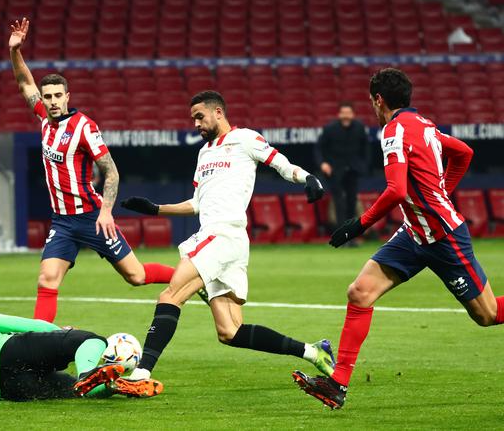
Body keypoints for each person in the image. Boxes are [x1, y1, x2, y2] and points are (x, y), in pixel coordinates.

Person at [293, 68, 504, 410]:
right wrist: (442, 192)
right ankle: (338, 384)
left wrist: (358, 224)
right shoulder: (424, 124)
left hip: (443, 236)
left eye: (371, 102)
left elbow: (396, 190)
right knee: (360, 292)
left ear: (378, 100)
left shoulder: (393, 130)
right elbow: (464, 152)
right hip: (413, 232)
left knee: (487, 315)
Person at [117, 90, 334, 395]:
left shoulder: (245, 138)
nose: (196, 124)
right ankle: (314, 352)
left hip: (222, 234)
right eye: (193, 119)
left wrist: (307, 177)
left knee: (171, 294)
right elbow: (197, 202)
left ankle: (141, 373)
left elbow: (279, 162)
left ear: (218, 112)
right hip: (225, 240)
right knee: (230, 331)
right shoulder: (204, 153)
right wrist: (155, 209)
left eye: (200, 117)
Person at [8, 18, 176, 323]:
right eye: (48, 97)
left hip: (92, 217)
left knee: (136, 277)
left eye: (59, 95)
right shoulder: (45, 119)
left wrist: (106, 211)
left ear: (68, 97)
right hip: (62, 221)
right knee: (47, 279)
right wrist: (15, 51)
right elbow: (24, 83)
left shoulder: (85, 127)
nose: (53, 101)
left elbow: (111, 172)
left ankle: (191, 279)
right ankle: (38, 348)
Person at [0, 305, 163, 400]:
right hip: (8, 352)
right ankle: (87, 372)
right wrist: (61, 334)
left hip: (10, 389)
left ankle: (113, 387)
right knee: (91, 339)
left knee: (75, 389)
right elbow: (29, 324)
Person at [314, 102, 368, 236]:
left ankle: (351, 236)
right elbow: (319, 148)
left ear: (353, 114)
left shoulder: (360, 128)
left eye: (348, 113)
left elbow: (366, 148)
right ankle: (341, 236)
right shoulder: (330, 129)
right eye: (343, 113)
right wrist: (323, 163)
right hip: (335, 171)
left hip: (353, 170)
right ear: (339, 114)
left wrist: (363, 164)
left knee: (351, 202)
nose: (346, 116)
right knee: (339, 202)